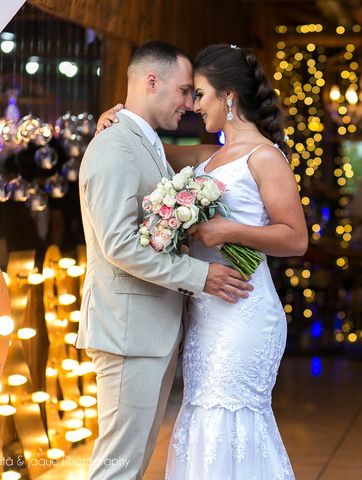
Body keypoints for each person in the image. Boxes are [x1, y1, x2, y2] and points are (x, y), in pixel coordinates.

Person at [98, 43, 306, 478]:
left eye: (201, 95)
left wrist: (229, 231)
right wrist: (116, 122)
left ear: (229, 97)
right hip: (206, 309)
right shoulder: (210, 156)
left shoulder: (265, 157)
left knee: (228, 419)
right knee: (200, 419)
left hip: (242, 308)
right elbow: (147, 152)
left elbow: (295, 238)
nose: (193, 106)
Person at [79, 41, 254, 480]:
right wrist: (201, 276)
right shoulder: (115, 145)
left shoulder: (148, 143)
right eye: (183, 91)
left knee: (132, 465)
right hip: (127, 333)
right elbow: (119, 244)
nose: (190, 104)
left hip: (148, 332)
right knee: (116, 467)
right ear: (151, 82)